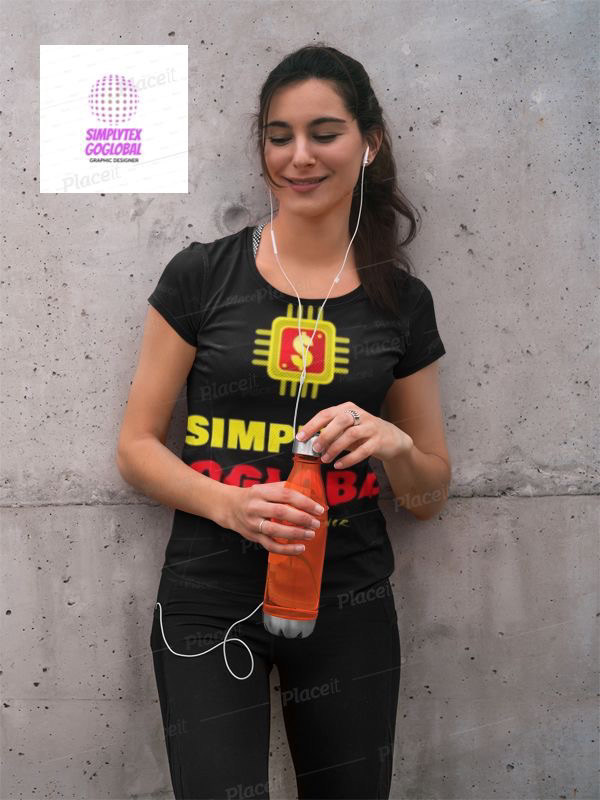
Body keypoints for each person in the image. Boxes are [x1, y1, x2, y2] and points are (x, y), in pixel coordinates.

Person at [116, 43, 451, 800]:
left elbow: (430, 497)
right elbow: (136, 448)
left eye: (324, 133)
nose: (299, 156)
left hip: (348, 600)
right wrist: (231, 505)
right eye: (279, 136)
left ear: (369, 143)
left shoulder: (401, 301)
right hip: (209, 597)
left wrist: (395, 444)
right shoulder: (202, 275)